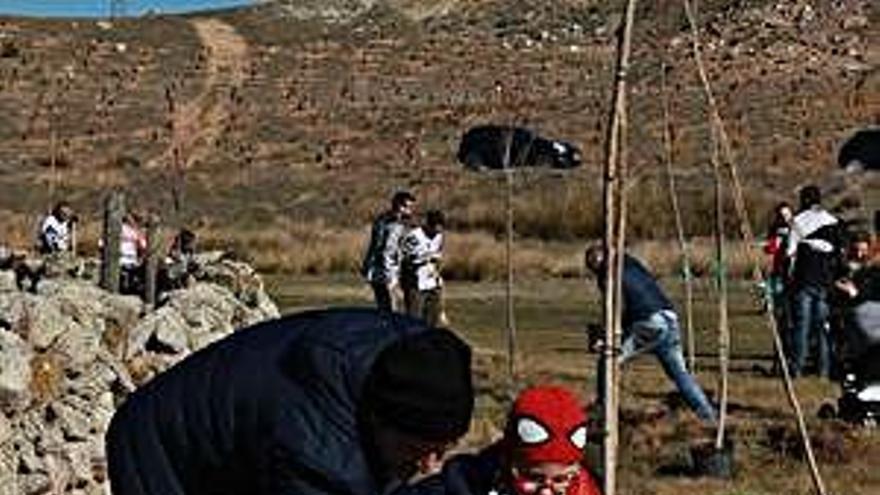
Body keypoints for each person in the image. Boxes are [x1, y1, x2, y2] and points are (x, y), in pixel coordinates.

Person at [105, 307, 474, 495]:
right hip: (160, 452)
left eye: (443, 448)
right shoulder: (319, 453)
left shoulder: (417, 353)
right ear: (379, 420)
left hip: (246, 436)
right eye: (416, 448)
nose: (430, 465)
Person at [584, 245, 716, 423]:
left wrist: (605, 334)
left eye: (592, 267)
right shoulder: (630, 263)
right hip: (669, 318)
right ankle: (707, 415)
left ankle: (603, 407)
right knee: (679, 374)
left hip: (650, 323)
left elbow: (617, 309)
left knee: (608, 361)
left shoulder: (608, 275)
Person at [412, 385, 601, 495]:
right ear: (507, 459)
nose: (545, 493)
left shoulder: (588, 490)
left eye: (560, 480)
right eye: (533, 478)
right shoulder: (460, 487)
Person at [786, 185, 842, 378]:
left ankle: (797, 369)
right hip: (824, 281)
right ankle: (824, 370)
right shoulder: (832, 221)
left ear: (803, 200)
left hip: (803, 279)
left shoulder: (797, 221)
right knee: (823, 328)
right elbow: (837, 254)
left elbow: (789, 253)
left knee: (802, 327)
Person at [361, 191, 416, 311]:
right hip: (377, 268)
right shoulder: (381, 221)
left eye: (410, 207)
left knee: (392, 306)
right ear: (396, 204)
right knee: (382, 304)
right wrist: (367, 264)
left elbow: (408, 251)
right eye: (405, 206)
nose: (408, 210)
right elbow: (374, 244)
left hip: (393, 271)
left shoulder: (407, 226)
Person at [402, 209, 447, 327]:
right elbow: (406, 261)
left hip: (433, 283)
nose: (438, 232)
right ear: (429, 225)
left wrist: (438, 277)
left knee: (432, 322)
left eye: (441, 228)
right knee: (414, 322)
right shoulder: (413, 236)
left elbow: (438, 257)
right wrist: (425, 259)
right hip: (416, 285)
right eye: (436, 228)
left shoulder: (439, 236)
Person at [763, 202, 794, 365]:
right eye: (781, 215)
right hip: (778, 274)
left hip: (793, 275)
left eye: (787, 214)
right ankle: (779, 352)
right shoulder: (775, 228)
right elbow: (769, 249)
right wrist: (771, 245)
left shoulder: (798, 226)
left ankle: (789, 351)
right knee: (779, 314)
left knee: (790, 317)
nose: (784, 218)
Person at [119, 213, 148, 295]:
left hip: (128, 260)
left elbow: (143, 245)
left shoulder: (135, 231)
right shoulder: (132, 231)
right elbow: (143, 245)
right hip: (125, 259)